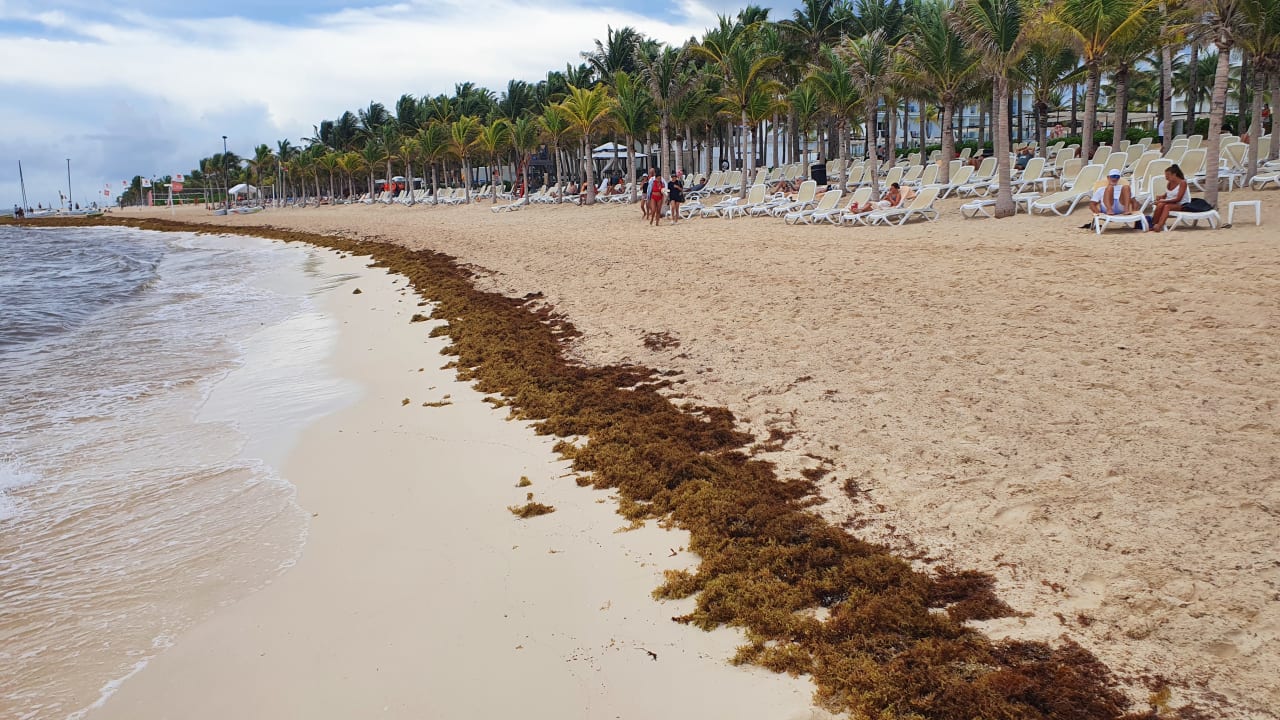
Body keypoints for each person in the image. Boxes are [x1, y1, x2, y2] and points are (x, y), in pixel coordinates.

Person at [1147, 164, 1190, 233]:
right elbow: (1167, 195)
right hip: (1171, 203)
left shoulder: (1182, 183)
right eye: (1165, 175)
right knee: (1160, 205)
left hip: (1182, 205)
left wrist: (1164, 201)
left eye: (1168, 175)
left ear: (1174, 174)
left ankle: (1159, 225)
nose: (1166, 177)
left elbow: (1178, 199)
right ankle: (1153, 224)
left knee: (1166, 206)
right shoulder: (1169, 183)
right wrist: (1161, 197)